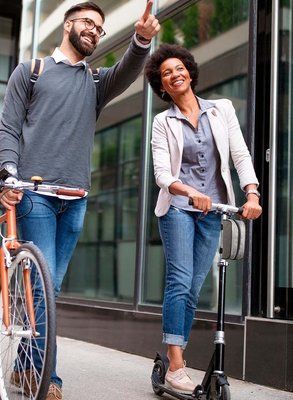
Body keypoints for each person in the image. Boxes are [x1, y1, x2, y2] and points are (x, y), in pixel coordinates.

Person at [0, 2, 160, 399]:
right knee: (44, 288)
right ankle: (47, 378)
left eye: (99, 28)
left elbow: (125, 73)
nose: (93, 30)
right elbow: (7, 127)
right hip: (34, 195)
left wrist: (141, 40)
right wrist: (6, 173)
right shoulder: (32, 71)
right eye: (87, 22)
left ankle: (24, 365)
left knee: (47, 291)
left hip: (76, 201)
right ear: (68, 24)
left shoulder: (94, 82)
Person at [145, 44, 262, 393]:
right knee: (180, 280)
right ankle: (176, 362)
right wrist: (189, 191)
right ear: (162, 86)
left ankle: (174, 353)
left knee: (195, 287)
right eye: (166, 73)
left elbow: (239, 154)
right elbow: (162, 174)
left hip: (214, 212)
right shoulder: (162, 121)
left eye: (179, 68)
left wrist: (252, 193)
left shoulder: (220, 110)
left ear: (190, 73)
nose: (175, 74)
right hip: (179, 209)